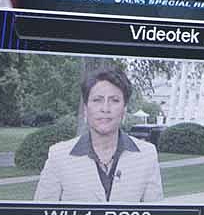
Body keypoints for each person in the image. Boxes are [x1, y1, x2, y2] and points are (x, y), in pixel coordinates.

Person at [34, 69, 163, 202]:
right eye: (97, 100)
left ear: (124, 110)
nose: (105, 108)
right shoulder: (58, 156)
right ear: (85, 109)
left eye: (114, 100)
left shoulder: (147, 155)